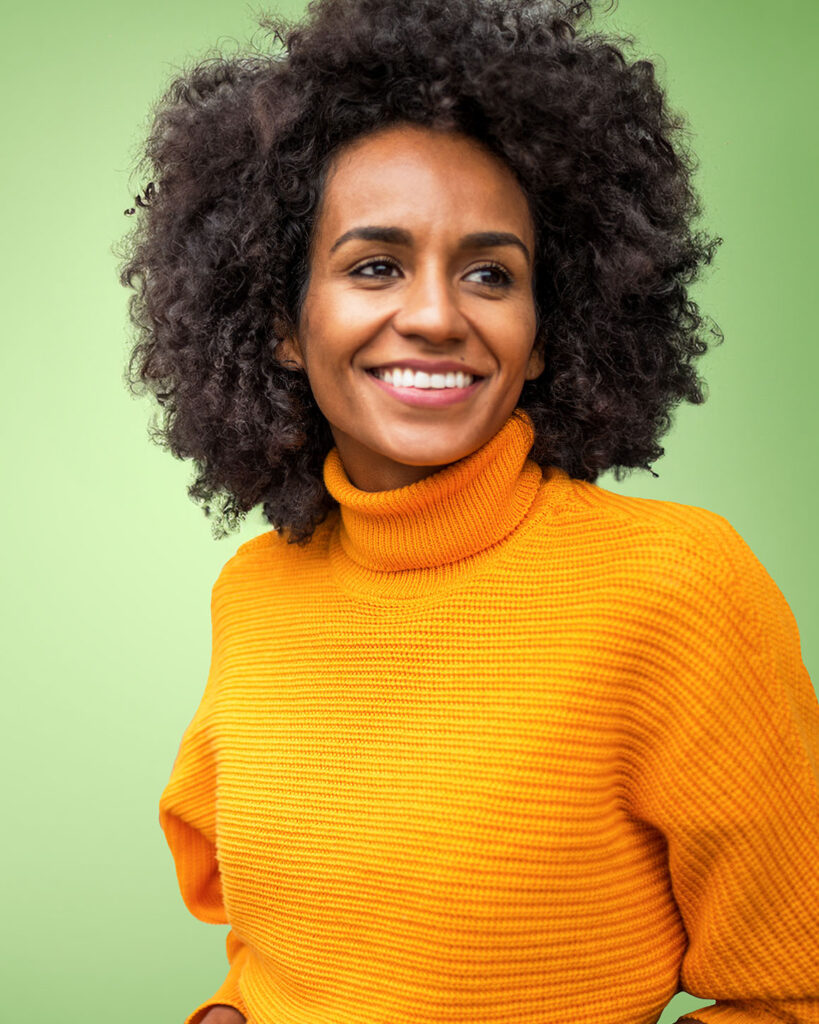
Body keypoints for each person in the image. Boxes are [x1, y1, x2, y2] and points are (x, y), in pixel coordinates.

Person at [118, 1, 819, 1022]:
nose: (440, 314)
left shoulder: (677, 589)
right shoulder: (256, 592)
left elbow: (796, 995)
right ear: (279, 323)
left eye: (492, 273)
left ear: (544, 334)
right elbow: (284, 948)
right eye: (375, 266)